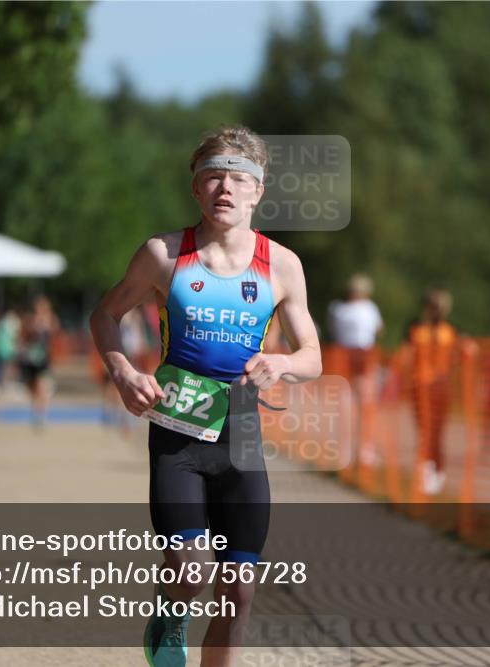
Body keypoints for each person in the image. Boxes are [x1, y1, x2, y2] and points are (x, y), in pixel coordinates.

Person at [89, 125, 322, 667]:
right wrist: (122, 370)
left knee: (239, 592)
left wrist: (284, 362)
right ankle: (171, 612)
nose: (226, 189)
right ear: (196, 189)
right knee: (190, 573)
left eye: (239, 179)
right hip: (178, 435)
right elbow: (105, 314)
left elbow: (313, 354)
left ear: (258, 191)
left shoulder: (282, 265)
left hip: (241, 436)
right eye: (213, 177)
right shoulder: (164, 254)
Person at [406, 289, 460, 496]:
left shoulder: (449, 331)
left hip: (440, 387)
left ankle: (437, 469)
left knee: (437, 432)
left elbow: (457, 356)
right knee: (424, 431)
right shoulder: (417, 329)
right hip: (420, 386)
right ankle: (426, 469)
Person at [327, 273, 384, 467]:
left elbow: (334, 331)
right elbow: (378, 329)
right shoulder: (369, 308)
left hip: (342, 356)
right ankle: (364, 450)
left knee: (345, 404)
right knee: (365, 405)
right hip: (363, 355)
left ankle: (344, 450)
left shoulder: (338, 309)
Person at [18, 295, 59, 429]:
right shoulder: (29, 320)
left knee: (43, 386)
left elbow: (54, 333)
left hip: (43, 359)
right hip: (30, 359)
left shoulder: (50, 319)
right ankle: (36, 411)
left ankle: (41, 414)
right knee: (33, 388)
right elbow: (23, 336)